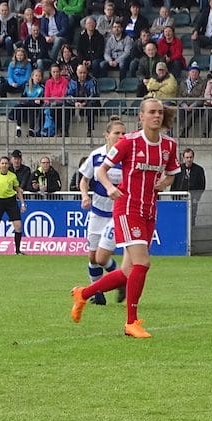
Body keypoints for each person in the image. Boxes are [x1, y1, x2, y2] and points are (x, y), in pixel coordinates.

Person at [70, 99, 179, 339]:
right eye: (151, 112)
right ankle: (131, 322)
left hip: (150, 210)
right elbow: (101, 170)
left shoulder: (169, 145)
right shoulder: (129, 141)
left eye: (160, 112)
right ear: (141, 116)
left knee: (129, 271)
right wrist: (109, 187)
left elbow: (171, 175)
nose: (157, 116)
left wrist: (165, 183)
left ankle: (83, 293)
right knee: (143, 263)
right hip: (128, 208)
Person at [78, 119, 127, 306]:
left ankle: (110, 286)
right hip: (97, 213)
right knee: (92, 257)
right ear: (107, 135)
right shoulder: (96, 156)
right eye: (117, 133)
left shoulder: (126, 158)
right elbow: (84, 181)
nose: (121, 136)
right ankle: (101, 293)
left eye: (123, 133)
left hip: (116, 214)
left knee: (101, 257)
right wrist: (84, 196)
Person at [171, 148, 206, 227]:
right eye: (187, 157)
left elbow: (202, 185)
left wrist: (196, 198)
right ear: (183, 158)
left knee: (191, 219)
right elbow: (173, 185)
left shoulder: (199, 169)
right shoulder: (178, 169)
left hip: (192, 200)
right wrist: (174, 198)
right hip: (179, 199)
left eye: (190, 157)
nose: (189, 159)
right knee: (179, 218)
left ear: (193, 157)